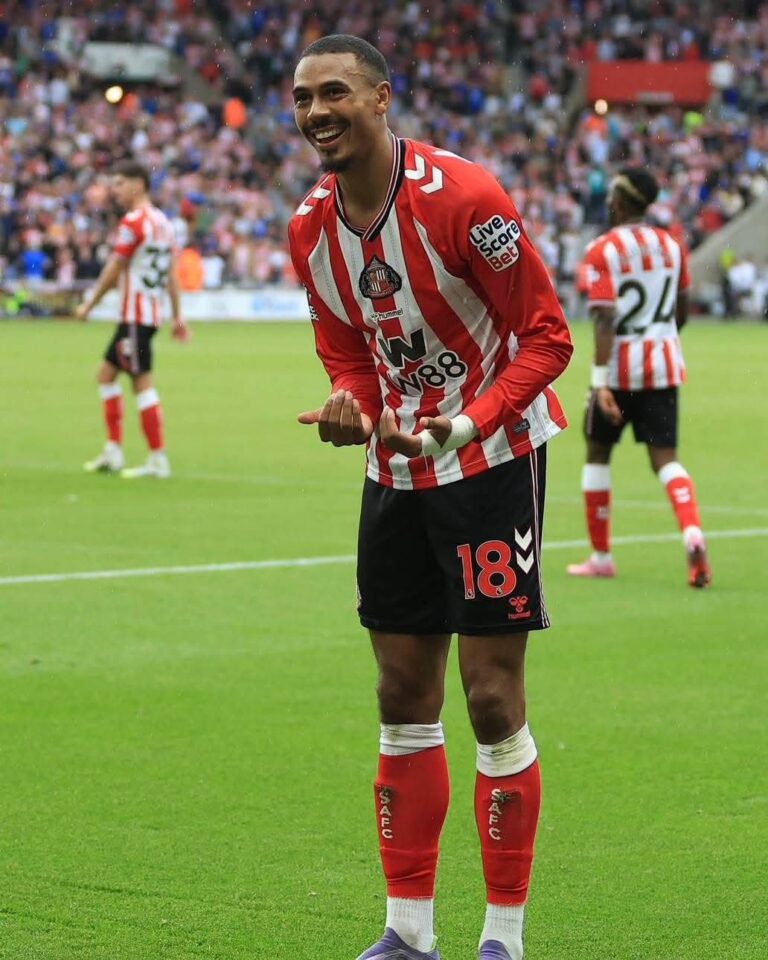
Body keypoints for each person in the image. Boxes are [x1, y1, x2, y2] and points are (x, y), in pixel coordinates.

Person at [288, 35, 573, 960]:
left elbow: (546, 336)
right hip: (395, 474)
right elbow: (348, 348)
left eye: (334, 92)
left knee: (491, 700)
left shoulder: (468, 199)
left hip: (491, 463)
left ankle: (505, 936)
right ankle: (409, 931)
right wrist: (352, 408)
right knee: (402, 694)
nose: (316, 111)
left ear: (381, 98)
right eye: (302, 98)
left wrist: (469, 423)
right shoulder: (309, 229)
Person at [566, 168, 711, 587]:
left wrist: (600, 383)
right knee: (666, 459)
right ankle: (693, 534)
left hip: (618, 369)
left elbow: (606, 319)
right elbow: (681, 309)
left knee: (597, 454)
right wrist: (660, 338)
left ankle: (601, 556)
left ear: (619, 201)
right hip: (664, 364)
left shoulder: (602, 250)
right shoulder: (672, 245)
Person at [76, 161, 188, 479]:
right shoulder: (164, 224)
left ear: (138, 185)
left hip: (135, 317)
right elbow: (170, 275)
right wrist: (178, 315)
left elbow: (115, 268)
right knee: (105, 376)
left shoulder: (134, 222)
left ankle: (157, 458)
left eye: (120, 183)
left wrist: (89, 304)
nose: (116, 190)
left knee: (142, 385)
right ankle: (113, 452)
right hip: (148, 315)